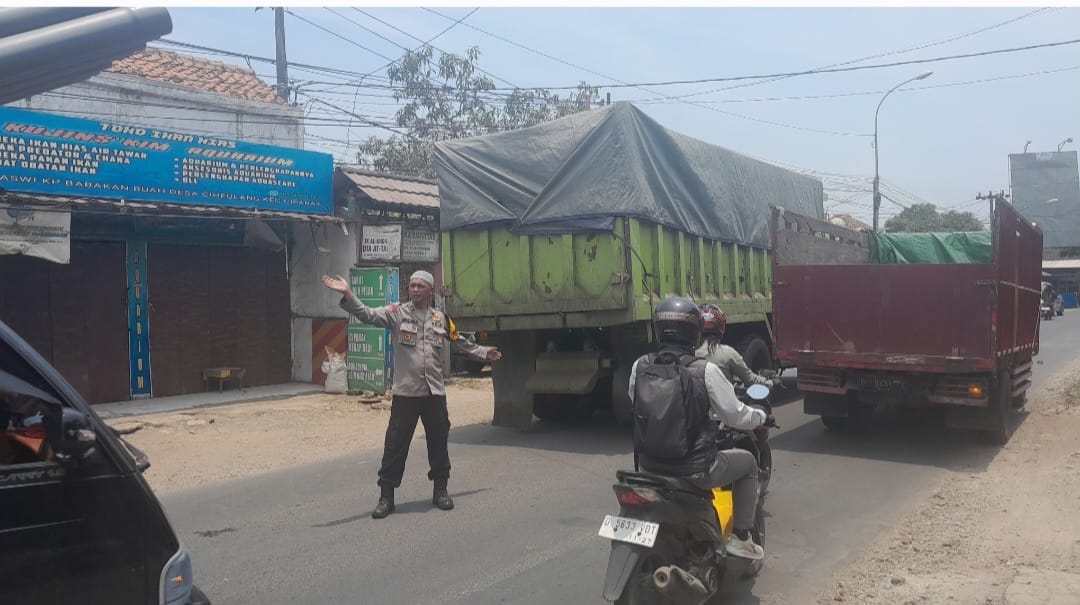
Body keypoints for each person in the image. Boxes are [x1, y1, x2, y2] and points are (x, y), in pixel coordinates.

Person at [322, 270, 502, 519]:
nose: (415, 289)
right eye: (412, 285)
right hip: (406, 393)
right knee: (395, 445)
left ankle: (440, 491)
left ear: (430, 291)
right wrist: (348, 293)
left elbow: (459, 340)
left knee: (438, 442)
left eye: (420, 286)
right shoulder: (397, 313)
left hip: (434, 393)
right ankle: (386, 497)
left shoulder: (440, 318)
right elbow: (368, 315)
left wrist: (483, 352)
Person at [629, 296, 773, 560]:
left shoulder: (640, 366)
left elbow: (636, 403)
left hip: (648, 468)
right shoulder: (704, 371)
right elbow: (735, 416)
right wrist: (760, 417)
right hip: (695, 470)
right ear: (694, 332)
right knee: (750, 463)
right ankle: (741, 537)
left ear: (659, 329)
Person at [697, 304, 781, 389]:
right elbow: (750, 379)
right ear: (721, 327)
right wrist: (770, 383)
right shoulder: (728, 354)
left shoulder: (689, 355)